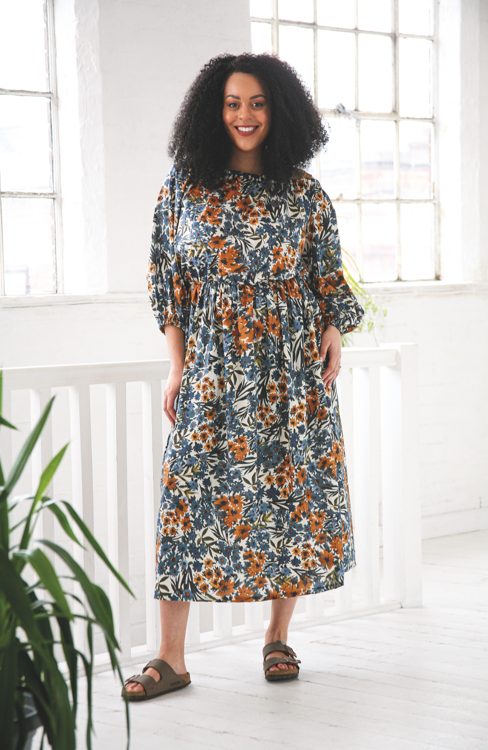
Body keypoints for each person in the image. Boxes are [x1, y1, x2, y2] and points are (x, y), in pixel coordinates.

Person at [122, 52, 365, 701]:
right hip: (212, 367)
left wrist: (334, 328)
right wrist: (178, 366)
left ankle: (277, 637)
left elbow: (327, 274)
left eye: (257, 103)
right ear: (214, 110)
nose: (245, 115)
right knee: (186, 501)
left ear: (279, 111)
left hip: (290, 370)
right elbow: (167, 283)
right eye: (233, 103)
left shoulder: (304, 192)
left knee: (290, 496)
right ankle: (171, 657)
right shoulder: (185, 187)